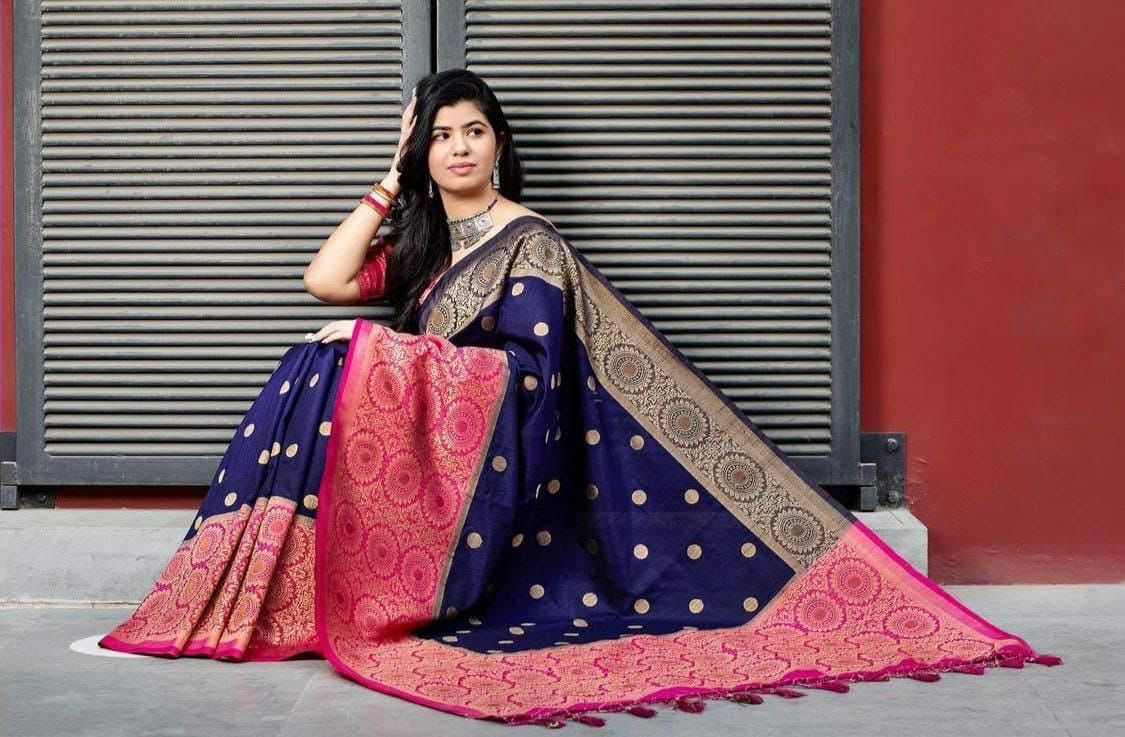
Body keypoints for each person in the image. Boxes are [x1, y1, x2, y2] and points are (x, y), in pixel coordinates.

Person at [98, 69, 1061, 727]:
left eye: (473, 132)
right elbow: (324, 279)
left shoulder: (531, 244)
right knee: (313, 357)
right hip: (423, 459)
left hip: (485, 477)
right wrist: (388, 183)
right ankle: (269, 594)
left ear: (500, 145)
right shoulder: (427, 247)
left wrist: (380, 350)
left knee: (340, 352)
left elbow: (526, 377)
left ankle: (311, 594)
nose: (457, 148)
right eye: (439, 137)